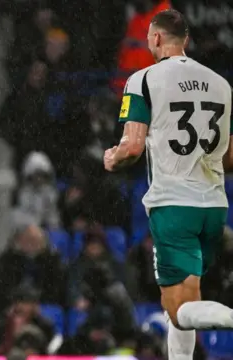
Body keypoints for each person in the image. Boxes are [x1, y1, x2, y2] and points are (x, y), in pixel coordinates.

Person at [103, 9, 233, 360]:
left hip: (174, 206)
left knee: (178, 309)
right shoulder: (222, 85)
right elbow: (229, 158)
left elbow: (132, 147)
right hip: (214, 207)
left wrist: (111, 157)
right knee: (184, 302)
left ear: (156, 38)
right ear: (186, 40)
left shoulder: (143, 80)